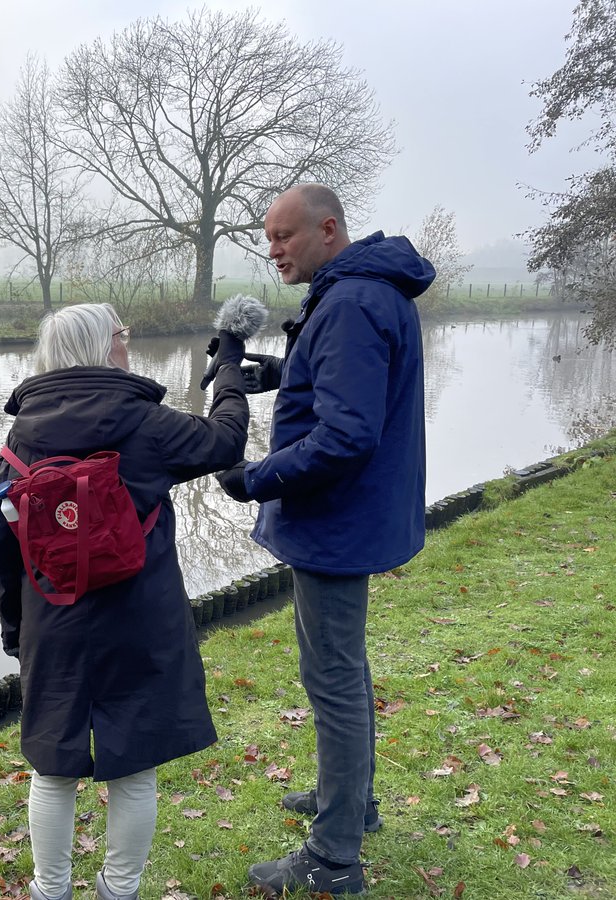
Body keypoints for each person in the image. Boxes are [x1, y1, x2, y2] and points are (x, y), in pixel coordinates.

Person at [0, 303, 250, 900]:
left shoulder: (18, 438)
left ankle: (51, 891)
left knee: (53, 770)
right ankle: (118, 889)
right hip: (141, 620)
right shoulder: (148, 424)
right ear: (105, 347)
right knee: (133, 765)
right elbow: (227, 441)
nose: (129, 343)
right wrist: (228, 367)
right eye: (123, 334)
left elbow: (1, 546)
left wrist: (14, 626)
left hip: (54, 621)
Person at [216, 184, 435, 897]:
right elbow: (351, 390)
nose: (272, 250)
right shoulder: (366, 293)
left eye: (283, 236)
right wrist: (287, 373)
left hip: (337, 522)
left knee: (332, 679)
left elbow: (346, 436)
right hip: (357, 517)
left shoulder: (349, 303)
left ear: (328, 229)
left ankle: (334, 857)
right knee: (344, 670)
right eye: (267, 238)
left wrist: (255, 478)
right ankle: (353, 800)